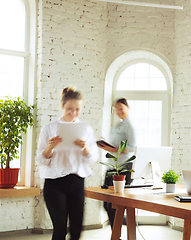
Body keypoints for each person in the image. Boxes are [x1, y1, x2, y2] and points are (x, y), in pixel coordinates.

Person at [35, 87, 99, 240]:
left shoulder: (86, 130)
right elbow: (41, 160)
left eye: (77, 109)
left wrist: (85, 148)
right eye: (70, 109)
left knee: (76, 231)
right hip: (55, 184)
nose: (74, 113)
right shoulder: (49, 129)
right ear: (62, 106)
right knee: (60, 231)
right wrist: (50, 147)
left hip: (77, 182)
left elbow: (92, 158)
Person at [97, 98, 137, 229]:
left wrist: (112, 149)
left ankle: (116, 234)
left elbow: (132, 147)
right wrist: (106, 144)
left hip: (124, 168)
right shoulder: (118, 125)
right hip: (112, 167)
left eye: (121, 107)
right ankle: (117, 231)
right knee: (106, 203)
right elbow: (115, 145)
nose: (118, 111)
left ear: (127, 107)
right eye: (116, 108)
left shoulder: (130, 125)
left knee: (114, 205)